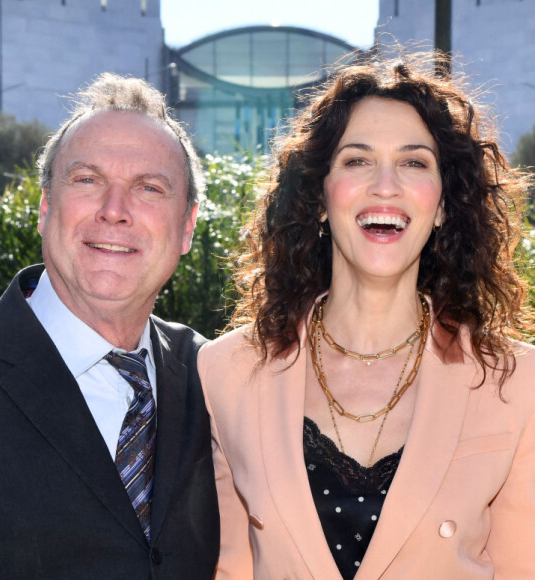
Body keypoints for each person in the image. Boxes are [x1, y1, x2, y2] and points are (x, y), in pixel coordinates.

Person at [198, 50, 535, 579]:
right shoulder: (225, 372)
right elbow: (229, 570)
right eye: (357, 160)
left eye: (414, 162)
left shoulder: (519, 385)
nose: (386, 185)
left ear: (444, 203)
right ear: (318, 196)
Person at [0, 73, 219, 578]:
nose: (114, 211)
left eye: (149, 187)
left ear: (186, 227)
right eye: (88, 180)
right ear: (45, 207)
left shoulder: (217, 379)